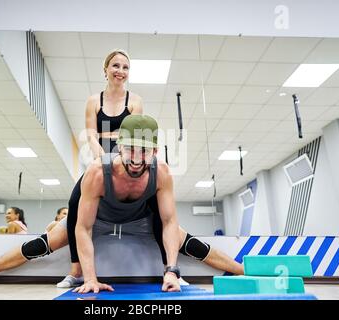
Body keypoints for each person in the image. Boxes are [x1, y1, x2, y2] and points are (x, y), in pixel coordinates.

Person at [61, 50, 244, 288]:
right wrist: (103, 161)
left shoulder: (134, 102)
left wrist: (125, 150)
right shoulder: (94, 101)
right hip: (103, 157)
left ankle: (170, 270)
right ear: (105, 69)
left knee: (163, 214)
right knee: (75, 202)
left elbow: (136, 134)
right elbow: (91, 135)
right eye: (115, 66)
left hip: (126, 152)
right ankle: (76, 269)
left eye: (126, 67)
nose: (120, 71)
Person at [73, 115, 244, 294]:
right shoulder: (97, 172)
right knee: (57, 236)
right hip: (100, 220)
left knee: (186, 240)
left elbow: (169, 222)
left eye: (144, 150)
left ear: (154, 151)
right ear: (120, 147)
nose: (137, 159)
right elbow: (83, 228)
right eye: (131, 149)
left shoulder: (162, 172)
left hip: (139, 221)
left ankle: (242, 270)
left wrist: (171, 271)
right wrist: (90, 278)